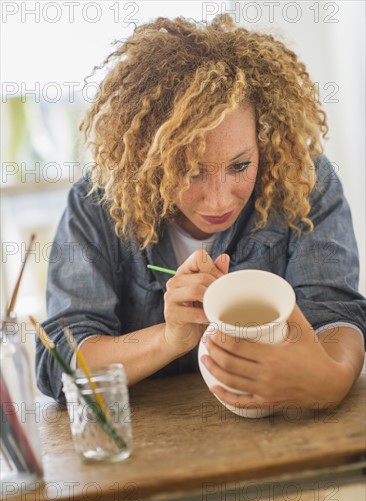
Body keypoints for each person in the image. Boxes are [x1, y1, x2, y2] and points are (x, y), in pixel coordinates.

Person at [36, 15, 366, 411]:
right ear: (148, 157)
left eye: (240, 166)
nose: (219, 201)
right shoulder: (96, 205)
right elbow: (61, 362)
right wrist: (170, 338)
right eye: (190, 171)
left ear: (263, 137)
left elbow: (335, 316)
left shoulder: (302, 178)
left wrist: (333, 380)